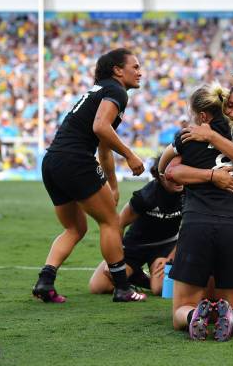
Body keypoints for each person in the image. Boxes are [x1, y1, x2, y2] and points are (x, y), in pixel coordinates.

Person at [158, 83, 233, 341]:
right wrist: (213, 175)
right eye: (230, 106)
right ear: (222, 106)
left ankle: (193, 316)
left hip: (197, 224)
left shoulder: (188, 135)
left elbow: (166, 168)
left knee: (181, 307)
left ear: (202, 115)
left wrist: (206, 139)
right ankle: (231, 316)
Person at [33, 48, 146, 303]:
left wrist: (113, 186)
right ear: (118, 70)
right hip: (76, 160)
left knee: (74, 228)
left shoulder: (99, 91)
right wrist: (130, 155)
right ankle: (122, 287)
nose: (140, 72)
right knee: (110, 222)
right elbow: (100, 127)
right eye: (135, 67)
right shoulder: (116, 91)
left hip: (53, 161)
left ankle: (45, 281)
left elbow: (104, 147)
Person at [88, 156, 183, 296]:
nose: (179, 178)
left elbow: (189, 232)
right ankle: (136, 276)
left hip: (165, 246)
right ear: (160, 175)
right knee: (99, 286)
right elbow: (118, 224)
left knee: (160, 289)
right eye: (173, 173)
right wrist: (116, 259)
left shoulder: (191, 194)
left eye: (182, 172)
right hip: (134, 245)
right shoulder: (145, 196)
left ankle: (143, 279)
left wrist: (170, 258)